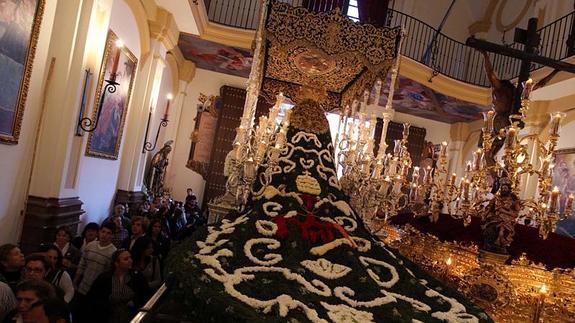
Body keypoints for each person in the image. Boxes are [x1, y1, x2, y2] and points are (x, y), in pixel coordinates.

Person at [87, 249, 150, 323]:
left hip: (130, 317)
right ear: (116, 263)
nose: (130, 260)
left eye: (130, 258)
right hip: (108, 317)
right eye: (126, 259)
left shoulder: (137, 277)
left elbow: (145, 295)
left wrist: (135, 302)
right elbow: (93, 298)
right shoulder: (105, 278)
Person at [74, 222, 117, 298]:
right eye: (103, 232)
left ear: (112, 235)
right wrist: (75, 281)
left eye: (108, 233)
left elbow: (110, 273)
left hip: (98, 290)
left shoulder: (113, 252)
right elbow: (82, 265)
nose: (104, 235)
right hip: (83, 286)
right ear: (99, 232)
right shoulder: (90, 245)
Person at [482, 177, 521, 254]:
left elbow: (516, 213)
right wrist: (485, 215)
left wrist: (504, 212)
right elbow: (489, 208)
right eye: (502, 188)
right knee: (490, 229)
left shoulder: (513, 200)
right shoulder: (496, 198)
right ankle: (490, 244)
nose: (503, 189)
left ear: (509, 189)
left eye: (505, 188)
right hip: (495, 218)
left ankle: (500, 245)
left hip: (507, 221)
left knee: (503, 232)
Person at [5, 279, 69, 323]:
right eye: (19, 300)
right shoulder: (10, 318)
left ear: (46, 302)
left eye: (28, 300)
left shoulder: (58, 320)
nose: (21, 305)